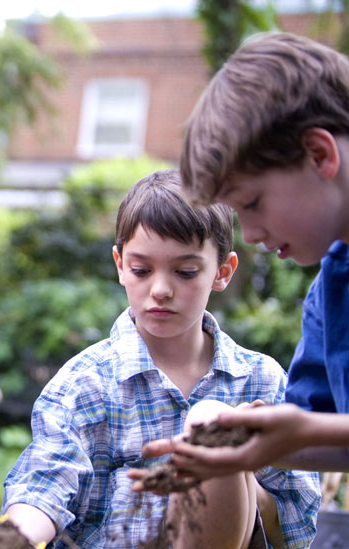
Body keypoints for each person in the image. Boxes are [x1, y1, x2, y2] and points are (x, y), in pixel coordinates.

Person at [2, 170, 320, 549]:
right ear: (120, 266)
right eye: (141, 269)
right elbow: (46, 481)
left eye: (186, 272)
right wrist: (10, 545)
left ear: (222, 272)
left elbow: (295, 525)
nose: (161, 290)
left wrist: (236, 469)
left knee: (211, 426)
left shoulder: (260, 381)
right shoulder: (85, 380)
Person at [140, 31, 349, 480]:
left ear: (319, 154)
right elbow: (320, 437)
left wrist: (309, 429)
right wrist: (238, 442)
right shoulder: (330, 293)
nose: (249, 234)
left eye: (252, 204)